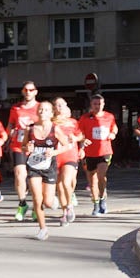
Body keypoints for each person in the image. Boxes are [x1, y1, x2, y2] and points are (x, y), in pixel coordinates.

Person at [22, 101, 62, 241]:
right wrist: (27, 148)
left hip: (49, 167)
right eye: (40, 109)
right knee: (37, 199)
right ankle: (42, 228)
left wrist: (54, 152)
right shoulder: (30, 129)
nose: (42, 112)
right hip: (33, 167)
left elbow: (67, 145)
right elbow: (23, 146)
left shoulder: (55, 129)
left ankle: (53, 201)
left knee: (48, 202)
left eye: (46, 110)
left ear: (51, 114)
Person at [76, 93, 118, 216]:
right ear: (91, 105)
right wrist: (83, 140)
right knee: (92, 180)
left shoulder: (109, 117)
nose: (97, 106)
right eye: (95, 104)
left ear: (103, 104)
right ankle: (96, 204)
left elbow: (114, 128)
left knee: (101, 175)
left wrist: (113, 134)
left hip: (105, 151)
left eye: (100, 104)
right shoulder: (84, 118)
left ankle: (103, 199)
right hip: (89, 153)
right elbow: (79, 133)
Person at [6, 82, 41, 221]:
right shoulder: (16, 108)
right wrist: (10, 132)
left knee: (34, 179)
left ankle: (36, 207)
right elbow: (10, 125)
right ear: (22, 91)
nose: (28, 92)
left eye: (31, 90)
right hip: (19, 145)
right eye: (25, 90)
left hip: (36, 147)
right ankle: (22, 204)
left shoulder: (40, 108)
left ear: (35, 92)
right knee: (20, 175)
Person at [52, 96, 84, 224]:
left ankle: (69, 204)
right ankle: (65, 211)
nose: (60, 107)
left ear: (66, 107)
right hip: (55, 155)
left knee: (66, 181)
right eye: (57, 105)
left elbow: (81, 135)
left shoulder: (73, 122)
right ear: (54, 108)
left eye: (62, 105)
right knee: (59, 185)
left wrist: (75, 139)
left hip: (70, 154)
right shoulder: (51, 122)